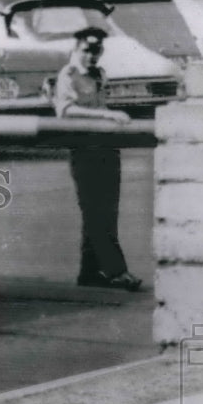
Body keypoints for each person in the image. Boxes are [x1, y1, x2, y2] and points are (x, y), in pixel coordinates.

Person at [54, 27, 142, 292]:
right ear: (76, 48)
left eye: (97, 50)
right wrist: (108, 115)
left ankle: (90, 272)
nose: (92, 56)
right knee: (95, 211)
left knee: (107, 211)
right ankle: (117, 271)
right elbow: (65, 110)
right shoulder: (67, 75)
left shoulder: (100, 75)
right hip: (84, 148)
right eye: (87, 50)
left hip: (106, 147)